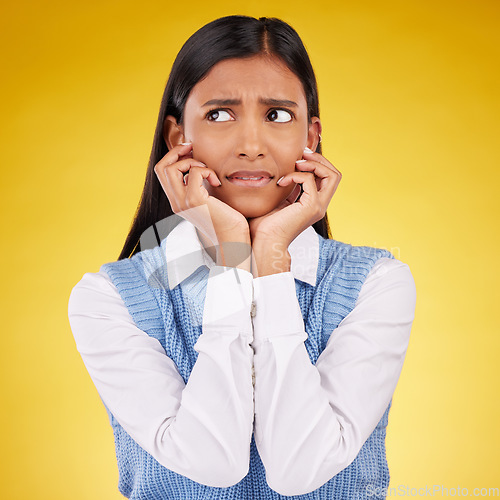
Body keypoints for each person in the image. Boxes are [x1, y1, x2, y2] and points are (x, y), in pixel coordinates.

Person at [68, 15, 416, 500]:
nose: (251, 145)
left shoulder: (376, 283)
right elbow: (213, 462)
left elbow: (300, 470)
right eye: (219, 114)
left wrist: (271, 256)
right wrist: (230, 253)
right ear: (176, 139)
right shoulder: (110, 298)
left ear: (311, 137)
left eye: (277, 115)